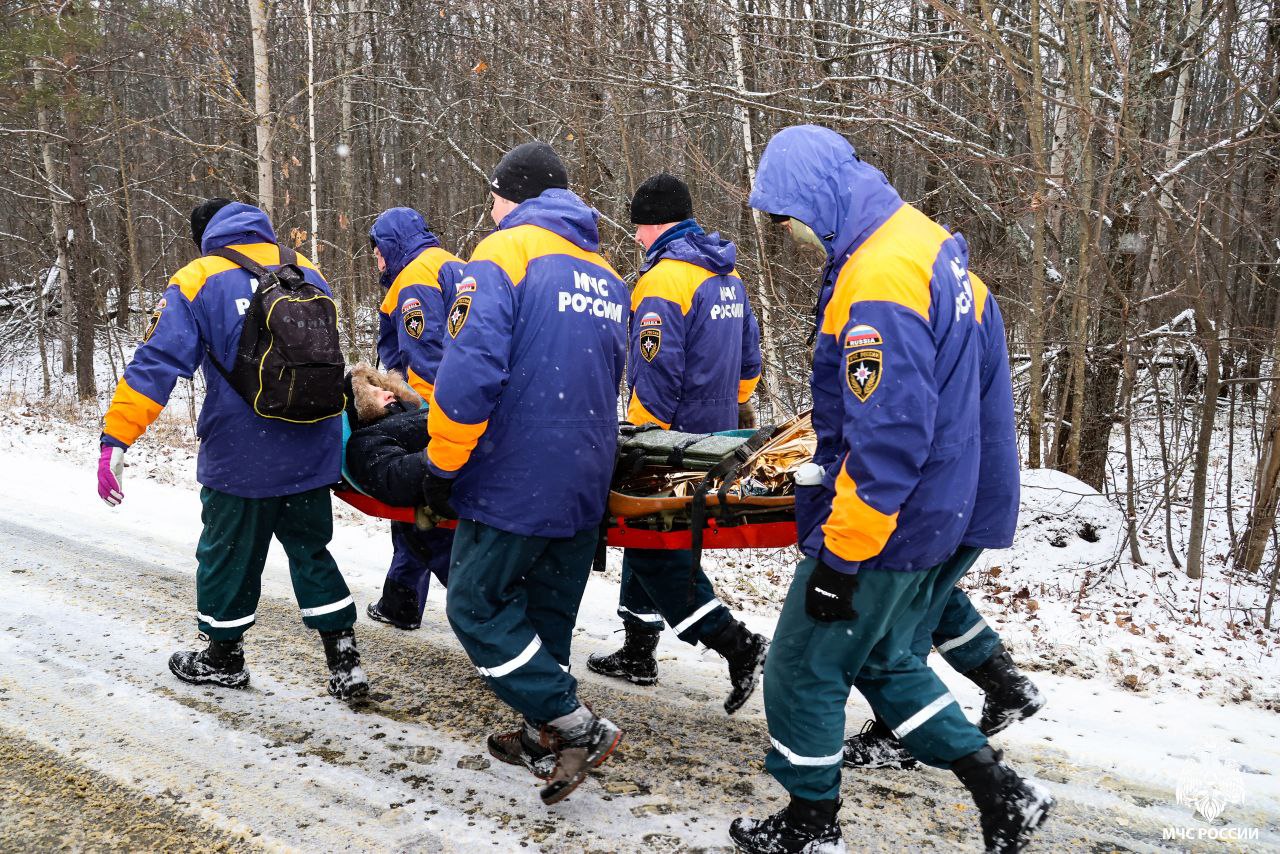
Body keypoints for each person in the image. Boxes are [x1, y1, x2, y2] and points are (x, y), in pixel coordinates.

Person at [729, 126, 1052, 854]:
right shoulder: (927, 246)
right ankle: (1004, 793)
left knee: (801, 667)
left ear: (813, 198)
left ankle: (812, 824)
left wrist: (842, 556)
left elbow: (892, 433)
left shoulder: (880, 276)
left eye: (789, 219)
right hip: (940, 503)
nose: (793, 236)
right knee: (883, 660)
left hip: (887, 518)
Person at [97, 198, 367, 700]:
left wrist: (117, 437)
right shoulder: (305, 270)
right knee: (311, 549)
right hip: (313, 444)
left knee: (227, 555)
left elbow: (157, 364)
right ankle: (343, 657)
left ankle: (223, 659)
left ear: (206, 236)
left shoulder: (199, 278)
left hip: (243, 452)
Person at [424, 142, 628, 805]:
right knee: (545, 612)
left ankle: (575, 724)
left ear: (514, 196)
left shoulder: (503, 255)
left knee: (475, 603)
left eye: (493, 195)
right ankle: (548, 733)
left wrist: (441, 460)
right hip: (585, 471)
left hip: (517, 471)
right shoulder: (605, 272)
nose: (489, 208)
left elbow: (469, 373)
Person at [842, 271, 1044, 771]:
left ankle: (903, 736)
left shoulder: (900, 285)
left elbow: (903, 405)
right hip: (975, 474)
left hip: (944, 483)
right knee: (933, 593)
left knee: (901, 618)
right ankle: (1006, 684)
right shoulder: (968, 287)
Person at [586, 173, 768, 714]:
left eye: (639, 227)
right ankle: (638, 652)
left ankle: (735, 644)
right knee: (649, 539)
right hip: (714, 436)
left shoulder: (664, 283)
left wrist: (643, 437)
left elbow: (655, 369)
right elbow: (750, 359)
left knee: (650, 544)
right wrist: (726, 412)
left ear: (656, 222)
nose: (636, 237)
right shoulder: (726, 275)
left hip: (670, 443)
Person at [365, 207, 462, 630]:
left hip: (436, 410)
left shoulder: (414, 279)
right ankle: (400, 600)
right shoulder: (455, 264)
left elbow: (427, 356)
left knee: (417, 509)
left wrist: (418, 415)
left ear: (391, 246)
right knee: (417, 506)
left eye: (378, 254)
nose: (378, 264)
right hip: (471, 408)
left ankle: (483, 611)